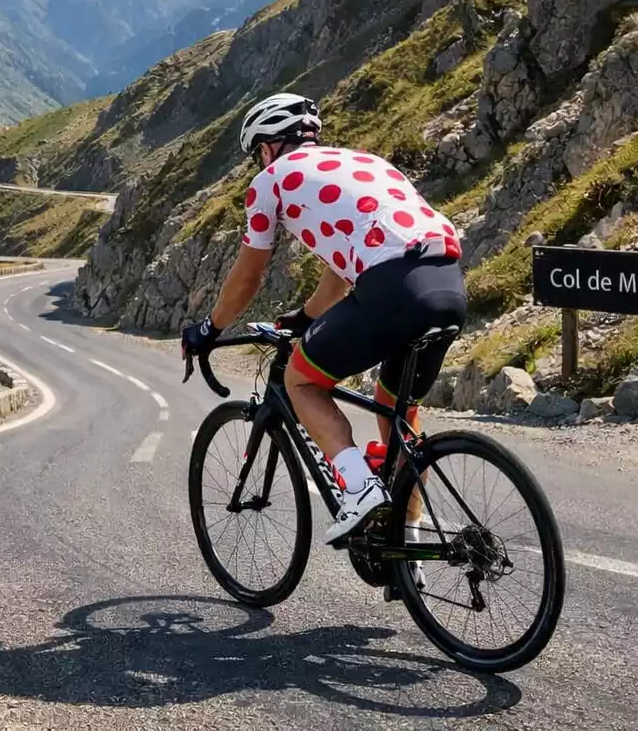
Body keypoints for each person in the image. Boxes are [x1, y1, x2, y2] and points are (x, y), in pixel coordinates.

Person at [181, 92, 467, 552]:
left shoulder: (271, 180)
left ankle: (360, 490)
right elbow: (346, 262)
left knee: (302, 382)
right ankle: (407, 547)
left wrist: (209, 329)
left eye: (258, 152)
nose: (260, 161)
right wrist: (309, 315)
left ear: (269, 146)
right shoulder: (365, 162)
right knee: (397, 410)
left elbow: (248, 276)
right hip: (448, 282)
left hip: (391, 284)